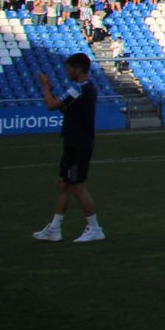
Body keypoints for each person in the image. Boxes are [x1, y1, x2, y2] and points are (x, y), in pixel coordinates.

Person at [32, 52, 106, 243]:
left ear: (78, 69)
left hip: (77, 143)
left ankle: (95, 228)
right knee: (63, 184)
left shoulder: (78, 88)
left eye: (68, 68)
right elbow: (65, 107)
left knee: (76, 185)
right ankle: (54, 229)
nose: (66, 72)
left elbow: (51, 105)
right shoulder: (87, 88)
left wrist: (45, 87)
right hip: (76, 141)